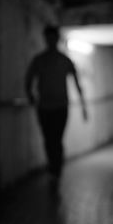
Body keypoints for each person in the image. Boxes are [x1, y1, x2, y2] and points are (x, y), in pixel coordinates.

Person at [25, 25, 87, 179]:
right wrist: (30, 95)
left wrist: (83, 105)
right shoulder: (40, 60)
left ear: (56, 39)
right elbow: (28, 78)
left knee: (56, 139)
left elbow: (77, 82)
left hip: (60, 107)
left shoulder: (64, 60)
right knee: (48, 139)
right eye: (48, 38)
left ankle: (56, 169)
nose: (51, 41)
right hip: (44, 107)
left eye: (53, 38)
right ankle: (54, 167)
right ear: (45, 39)